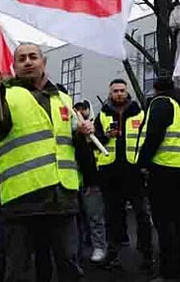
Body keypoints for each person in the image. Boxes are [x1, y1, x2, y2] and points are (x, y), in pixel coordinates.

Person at [0, 43, 95, 282]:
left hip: (61, 196)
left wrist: (82, 133)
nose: (28, 62)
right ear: (14, 66)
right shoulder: (4, 94)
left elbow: (67, 141)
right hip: (23, 199)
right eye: (21, 58)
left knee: (69, 265)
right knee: (20, 270)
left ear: (44, 62)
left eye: (33, 57)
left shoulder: (63, 98)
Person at [137, 77, 180, 282]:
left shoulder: (162, 103)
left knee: (164, 225)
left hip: (164, 169)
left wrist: (142, 162)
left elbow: (154, 135)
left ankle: (167, 272)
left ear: (156, 89)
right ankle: (177, 269)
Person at [93, 79, 152, 270]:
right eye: (115, 91)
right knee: (112, 216)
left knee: (142, 214)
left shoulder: (140, 113)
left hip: (134, 171)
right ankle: (113, 253)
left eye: (122, 90)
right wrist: (105, 136)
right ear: (110, 93)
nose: (119, 94)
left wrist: (145, 165)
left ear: (127, 93)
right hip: (110, 172)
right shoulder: (102, 115)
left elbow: (147, 140)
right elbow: (92, 140)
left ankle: (147, 253)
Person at [74, 100, 107, 264]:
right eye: (78, 109)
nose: (81, 112)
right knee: (76, 221)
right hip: (74, 180)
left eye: (84, 109)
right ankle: (78, 251)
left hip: (91, 180)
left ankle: (99, 247)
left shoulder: (96, 127)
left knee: (95, 217)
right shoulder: (72, 131)